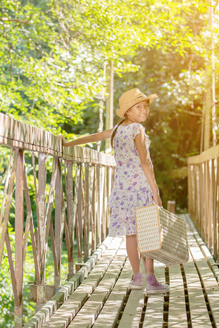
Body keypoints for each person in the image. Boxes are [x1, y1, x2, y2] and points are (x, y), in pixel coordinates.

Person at [59, 88, 169, 294]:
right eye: (139, 107)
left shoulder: (118, 130)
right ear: (128, 111)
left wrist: (68, 143)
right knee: (148, 231)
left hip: (122, 188)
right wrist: (155, 191)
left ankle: (137, 277)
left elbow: (93, 137)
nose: (144, 110)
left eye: (145, 106)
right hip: (140, 187)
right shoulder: (137, 130)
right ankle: (151, 280)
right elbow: (145, 162)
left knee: (131, 234)